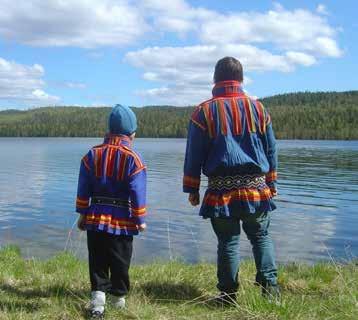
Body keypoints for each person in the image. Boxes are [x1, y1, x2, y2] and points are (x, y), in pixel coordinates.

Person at [183, 57, 279, 304]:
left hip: (221, 191)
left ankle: (227, 297)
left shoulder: (203, 111)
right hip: (257, 189)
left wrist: (192, 188)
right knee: (261, 237)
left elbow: (194, 153)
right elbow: (271, 149)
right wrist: (272, 183)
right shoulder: (259, 109)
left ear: (215, 79)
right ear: (241, 79)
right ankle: (271, 293)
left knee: (228, 242)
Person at [76, 104, 147, 319]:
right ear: (132, 134)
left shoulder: (91, 155)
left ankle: (98, 302)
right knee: (121, 260)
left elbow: (83, 187)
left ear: (109, 130)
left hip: (95, 217)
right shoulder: (133, 159)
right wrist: (140, 217)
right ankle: (118, 299)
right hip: (122, 221)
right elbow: (137, 191)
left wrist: (82, 213)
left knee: (97, 260)